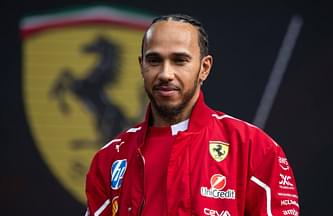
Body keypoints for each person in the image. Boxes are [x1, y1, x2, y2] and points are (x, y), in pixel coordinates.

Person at [85, 14, 299, 216]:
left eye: (179, 60)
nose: (165, 74)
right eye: (154, 60)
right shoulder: (110, 158)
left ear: (204, 68)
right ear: (141, 66)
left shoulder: (255, 148)